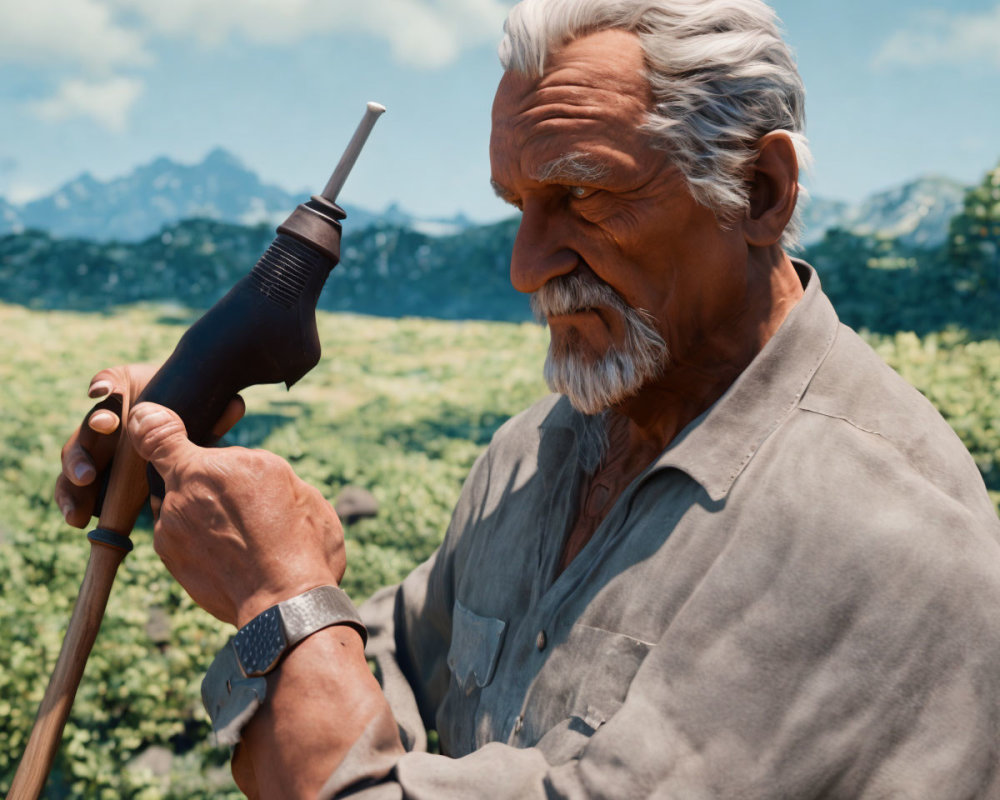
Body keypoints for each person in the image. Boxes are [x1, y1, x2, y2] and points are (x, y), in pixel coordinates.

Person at [56, 0, 1000, 797]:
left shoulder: (876, 534)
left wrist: (279, 595)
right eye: (518, 206)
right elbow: (396, 685)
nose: (525, 269)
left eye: (585, 199)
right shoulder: (539, 449)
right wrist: (248, 524)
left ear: (759, 191)